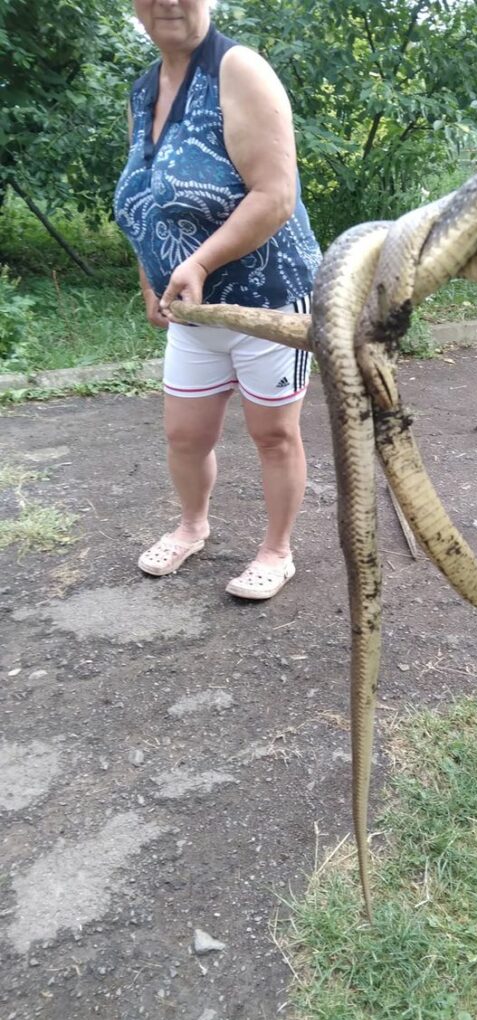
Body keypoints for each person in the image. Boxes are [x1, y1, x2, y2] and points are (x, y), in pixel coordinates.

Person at [114, 0, 321, 599]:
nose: (169, 4)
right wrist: (150, 279)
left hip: (267, 304)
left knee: (274, 434)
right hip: (191, 307)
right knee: (184, 434)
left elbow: (276, 194)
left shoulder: (239, 69)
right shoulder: (143, 90)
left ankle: (276, 551)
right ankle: (192, 526)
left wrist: (199, 262)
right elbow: (145, 199)